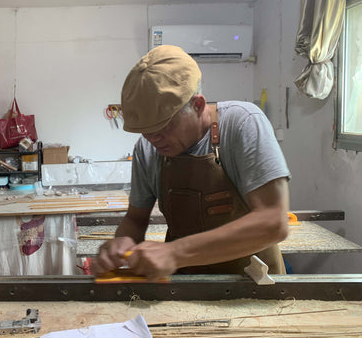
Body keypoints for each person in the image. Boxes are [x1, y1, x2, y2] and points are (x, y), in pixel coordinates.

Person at [92, 45, 291, 281]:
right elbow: (135, 219)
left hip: (252, 283)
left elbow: (273, 221)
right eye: (145, 131)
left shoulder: (242, 123)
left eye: (163, 127)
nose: (153, 140)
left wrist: (175, 253)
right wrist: (122, 242)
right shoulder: (147, 149)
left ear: (197, 105)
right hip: (184, 284)